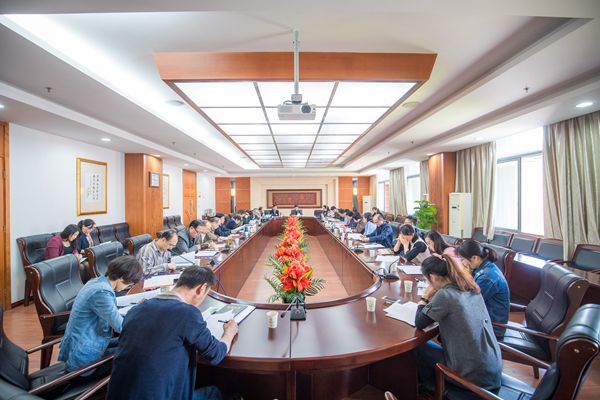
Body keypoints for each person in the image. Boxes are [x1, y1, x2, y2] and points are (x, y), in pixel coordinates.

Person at [107, 266, 238, 400]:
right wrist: (229, 333)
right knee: (213, 393)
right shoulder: (187, 313)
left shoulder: (136, 309)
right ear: (202, 289)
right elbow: (215, 354)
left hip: (117, 394)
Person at [413, 255, 502, 393]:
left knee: (418, 345)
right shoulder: (470, 287)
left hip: (473, 377)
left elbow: (419, 322)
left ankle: (432, 387)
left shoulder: (445, 295)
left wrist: (424, 297)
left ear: (433, 277)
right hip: (490, 368)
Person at [58, 256, 143, 372]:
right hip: (83, 360)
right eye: (129, 284)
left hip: (88, 342)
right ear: (122, 278)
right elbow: (121, 327)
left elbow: (111, 313)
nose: (128, 287)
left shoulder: (96, 282)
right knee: (138, 351)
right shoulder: (102, 292)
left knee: (133, 342)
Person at [458, 240, 510, 338]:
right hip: (484, 318)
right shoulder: (485, 267)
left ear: (474, 258)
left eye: (462, 259)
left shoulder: (487, 277)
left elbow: (469, 302)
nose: (462, 263)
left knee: (451, 323)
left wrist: (467, 275)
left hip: (492, 326)